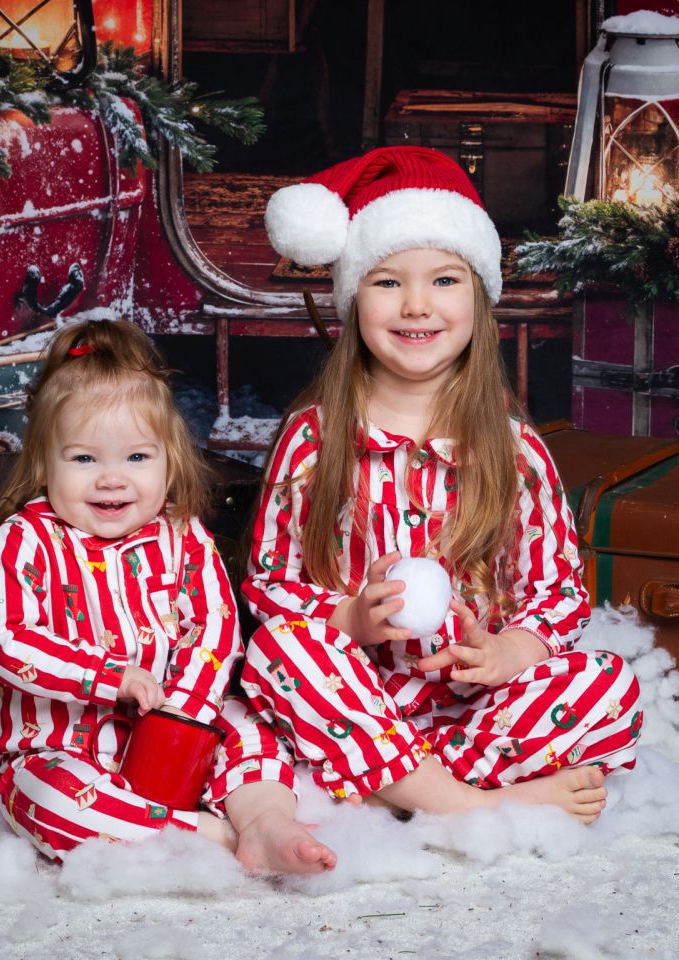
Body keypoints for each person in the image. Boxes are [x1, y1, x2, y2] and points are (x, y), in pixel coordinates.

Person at [240, 146, 642, 822]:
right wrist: (351, 619)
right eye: (387, 282)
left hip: (468, 708)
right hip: (351, 693)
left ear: (480, 297)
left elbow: (557, 591)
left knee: (607, 684)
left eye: (445, 281)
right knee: (277, 653)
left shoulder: (513, 448)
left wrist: (506, 651)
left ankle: (394, 785)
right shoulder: (315, 437)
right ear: (353, 298)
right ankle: (464, 805)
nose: (417, 305)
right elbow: (272, 588)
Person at [0, 319, 335, 873]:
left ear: (170, 459)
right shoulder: (25, 538)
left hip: (177, 732)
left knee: (250, 729)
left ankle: (264, 820)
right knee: (47, 800)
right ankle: (207, 835)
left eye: (137, 458)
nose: (112, 480)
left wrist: (182, 711)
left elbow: (213, 625)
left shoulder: (184, 535)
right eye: (84, 459)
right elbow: (2, 639)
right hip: (62, 748)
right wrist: (106, 676)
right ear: (45, 463)